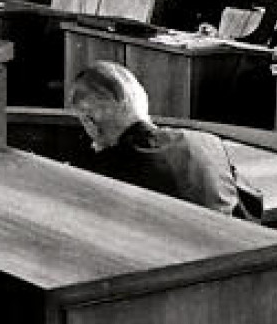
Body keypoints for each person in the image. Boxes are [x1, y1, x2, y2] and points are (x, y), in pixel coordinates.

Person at [69, 62, 252, 218]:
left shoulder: (105, 170)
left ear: (89, 121)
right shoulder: (209, 143)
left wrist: (102, 154)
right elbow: (250, 206)